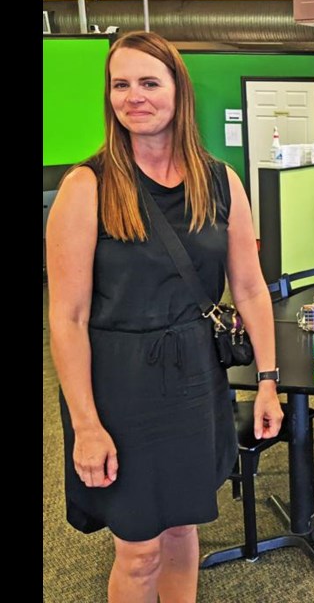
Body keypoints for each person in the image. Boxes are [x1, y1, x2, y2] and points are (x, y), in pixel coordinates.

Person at [46, 31, 284, 602]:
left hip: (195, 379)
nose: (134, 96)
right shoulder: (87, 186)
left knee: (182, 527)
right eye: (120, 84)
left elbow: (250, 289)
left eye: (149, 82)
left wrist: (269, 382)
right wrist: (85, 425)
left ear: (179, 93)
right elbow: (67, 317)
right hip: (119, 386)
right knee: (139, 548)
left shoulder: (219, 181)